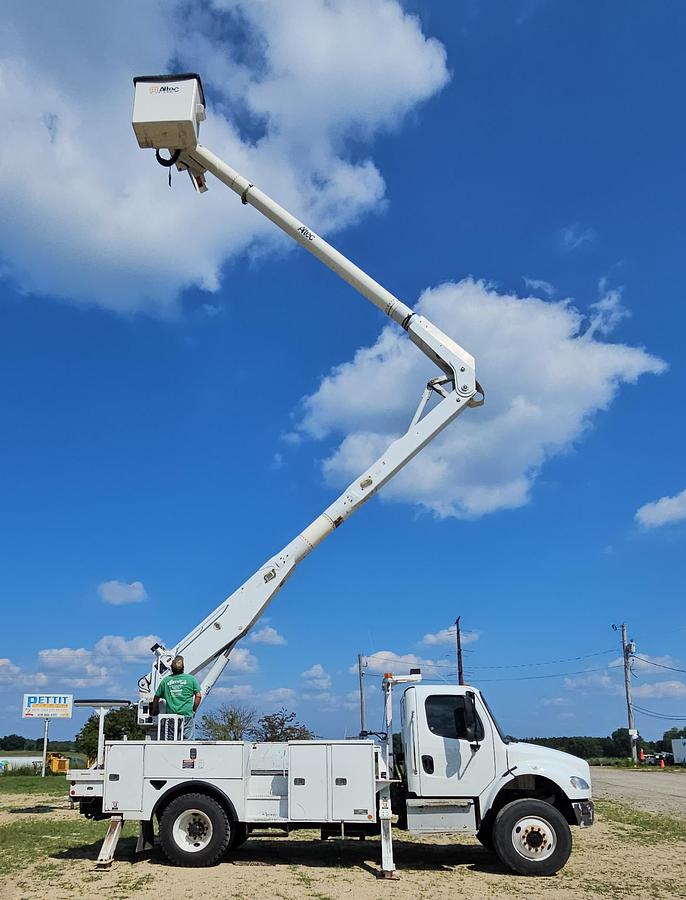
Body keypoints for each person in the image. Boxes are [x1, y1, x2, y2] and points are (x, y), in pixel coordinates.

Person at [151, 655, 202, 740]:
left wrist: (154, 710)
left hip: (171, 716)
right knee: (187, 741)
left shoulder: (166, 681)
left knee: (170, 741)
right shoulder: (191, 679)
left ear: (171, 668)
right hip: (187, 715)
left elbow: (156, 697)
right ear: (183, 668)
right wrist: (193, 710)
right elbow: (198, 696)